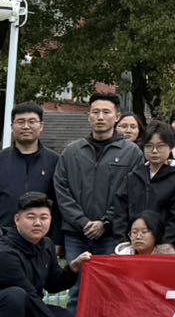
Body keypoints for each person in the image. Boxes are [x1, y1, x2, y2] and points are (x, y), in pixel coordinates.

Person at [54, 93, 143, 281]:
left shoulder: (132, 153)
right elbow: (61, 190)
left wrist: (106, 222)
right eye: (95, 112)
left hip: (112, 235)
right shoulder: (71, 152)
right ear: (88, 116)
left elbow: (132, 192)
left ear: (117, 116)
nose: (100, 117)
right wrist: (82, 222)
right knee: (76, 286)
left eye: (106, 112)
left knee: (108, 286)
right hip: (75, 234)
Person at [0, 102, 58, 256]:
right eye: (20, 122)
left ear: (41, 126)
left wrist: (57, 240)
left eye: (32, 122)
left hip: (40, 242)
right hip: (0, 240)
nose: (26, 126)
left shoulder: (54, 161)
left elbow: (59, 206)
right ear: (12, 126)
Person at [105, 211, 169, 317]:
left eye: (144, 231)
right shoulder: (117, 261)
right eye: (134, 232)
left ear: (156, 234)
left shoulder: (170, 260)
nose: (138, 236)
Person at [112, 123, 175, 250]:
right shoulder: (133, 177)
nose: (154, 151)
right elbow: (120, 212)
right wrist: (124, 241)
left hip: (163, 249)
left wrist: (162, 245)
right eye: (149, 146)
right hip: (132, 246)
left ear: (171, 147)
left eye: (160, 146)